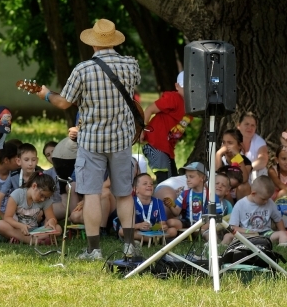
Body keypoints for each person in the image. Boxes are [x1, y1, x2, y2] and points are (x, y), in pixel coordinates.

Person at [35, 18, 141, 261]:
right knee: (124, 194)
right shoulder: (131, 65)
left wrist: (45, 94)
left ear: (93, 44)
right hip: (122, 139)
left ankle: (94, 250)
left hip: (92, 141)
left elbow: (63, 102)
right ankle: (129, 246)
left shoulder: (83, 69)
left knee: (91, 194)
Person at [142, 72, 192, 184]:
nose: (187, 90)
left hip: (167, 149)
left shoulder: (190, 109)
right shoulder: (173, 98)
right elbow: (149, 109)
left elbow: (178, 130)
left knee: (174, 180)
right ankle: (159, 201)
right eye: (184, 87)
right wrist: (142, 130)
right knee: (165, 180)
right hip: (155, 144)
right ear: (177, 86)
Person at [222, 176, 287, 247]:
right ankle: (222, 249)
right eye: (263, 199)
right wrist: (248, 231)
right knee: (228, 236)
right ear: (253, 193)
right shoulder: (240, 204)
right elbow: (233, 227)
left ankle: (284, 247)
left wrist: (283, 231)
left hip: (265, 234)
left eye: (268, 198)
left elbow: (278, 219)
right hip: (246, 234)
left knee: (283, 234)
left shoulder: (270, 203)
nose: (266, 201)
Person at [0, 171, 61, 244]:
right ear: (34, 186)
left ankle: (21, 239)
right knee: (0, 225)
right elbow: (7, 217)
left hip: (34, 231)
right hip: (16, 228)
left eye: (46, 197)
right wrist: (20, 226)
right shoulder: (17, 194)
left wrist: (52, 221)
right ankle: (33, 241)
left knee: (58, 228)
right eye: (42, 195)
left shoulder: (46, 200)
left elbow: (52, 218)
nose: (43, 199)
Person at [163, 162, 224, 239]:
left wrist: (205, 226)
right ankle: (190, 234)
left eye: (191, 177)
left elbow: (217, 216)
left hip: (204, 223)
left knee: (209, 233)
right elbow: (176, 212)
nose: (188, 180)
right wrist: (171, 206)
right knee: (171, 222)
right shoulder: (185, 194)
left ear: (203, 178)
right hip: (188, 223)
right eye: (187, 177)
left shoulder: (211, 195)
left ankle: (201, 236)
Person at [118, 174, 176, 242]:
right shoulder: (130, 202)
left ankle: (147, 239)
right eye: (145, 184)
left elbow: (162, 223)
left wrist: (162, 227)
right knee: (122, 231)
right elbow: (125, 225)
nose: (149, 185)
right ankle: (152, 239)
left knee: (173, 231)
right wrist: (139, 226)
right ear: (135, 189)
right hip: (136, 230)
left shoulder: (158, 202)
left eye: (151, 184)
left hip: (153, 231)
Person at [215, 128, 253, 200]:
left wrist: (237, 156)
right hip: (224, 194)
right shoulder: (220, 159)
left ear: (239, 146)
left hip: (240, 195)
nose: (225, 146)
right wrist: (218, 154)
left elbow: (244, 179)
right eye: (224, 142)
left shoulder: (245, 161)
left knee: (243, 186)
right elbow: (216, 177)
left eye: (230, 143)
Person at [237, 112, 268, 180]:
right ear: (239, 126)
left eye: (253, 125)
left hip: (252, 175)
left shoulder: (259, 141)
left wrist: (247, 168)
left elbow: (263, 160)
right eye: (246, 124)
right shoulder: (231, 139)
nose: (250, 128)